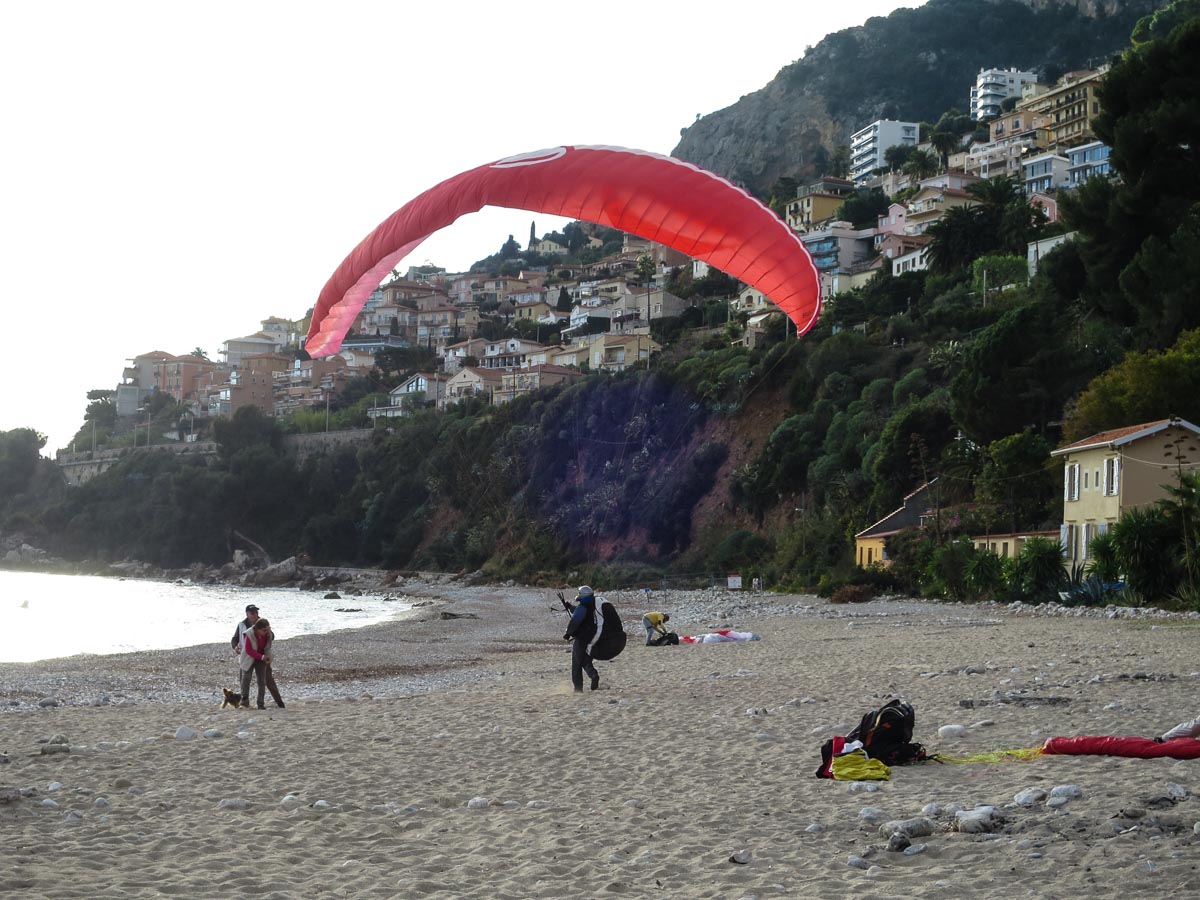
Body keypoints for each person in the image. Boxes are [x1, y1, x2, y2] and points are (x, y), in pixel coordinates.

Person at [231, 604, 284, 708]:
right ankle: (244, 702)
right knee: (244, 679)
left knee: (267, 680)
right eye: (252, 613)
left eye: (256, 612)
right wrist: (235, 647)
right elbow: (235, 638)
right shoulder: (242, 625)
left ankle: (278, 701)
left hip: (262, 655)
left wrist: (268, 634)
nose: (255, 614)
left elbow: (272, 637)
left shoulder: (263, 623)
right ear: (247, 614)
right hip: (247, 656)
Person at [563, 585, 601, 693]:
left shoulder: (583, 606)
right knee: (585, 659)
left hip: (581, 638)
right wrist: (570, 607)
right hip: (593, 637)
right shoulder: (593, 606)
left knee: (577, 662)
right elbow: (579, 612)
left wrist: (568, 633)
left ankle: (578, 688)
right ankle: (593, 674)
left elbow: (575, 620)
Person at [239, 618, 273, 709]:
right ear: (258, 629)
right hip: (249, 658)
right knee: (246, 680)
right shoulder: (249, 634)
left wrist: (266, 657)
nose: (266, 632)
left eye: (268, 629)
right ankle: (244, 702)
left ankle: (260, 704)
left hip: (261, 658)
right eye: (264, 630)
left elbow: (268, 645)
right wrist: (262, 657)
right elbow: (248, 650)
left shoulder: (267, 634)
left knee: (262, 681)